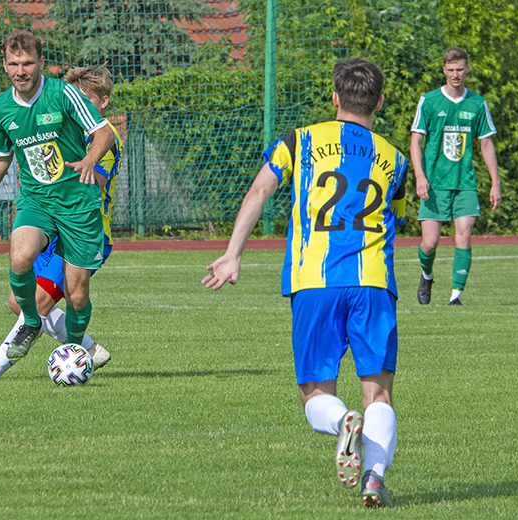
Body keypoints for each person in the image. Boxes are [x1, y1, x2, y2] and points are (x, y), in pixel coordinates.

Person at [202, 58, 406, 508]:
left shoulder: (300, 140)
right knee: (379, 391)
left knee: (315, 393)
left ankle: (341, 424)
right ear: (380, 101)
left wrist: (233, 254)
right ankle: (374, 475)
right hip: (373, 283)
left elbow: (259, 191)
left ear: (335, 98)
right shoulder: (395, 157)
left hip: (313, 281)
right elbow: (395, 213)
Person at [0, 66, 122, 381]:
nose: (77, 105)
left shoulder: (104, 139)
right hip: (50, 224)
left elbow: (91, 183)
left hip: (82, 227)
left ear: (102, 103)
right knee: (19, 301)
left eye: (86, 100)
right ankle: (89, 351)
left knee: (42, 302)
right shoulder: (61, 125)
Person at [410, 47, 502, 305]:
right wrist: (419, 175)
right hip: (434, 183)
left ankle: (455, 296)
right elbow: (416, 140)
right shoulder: (428, 101)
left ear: (467, 69)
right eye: (450, 70)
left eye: (459, 69)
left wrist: (495, 183)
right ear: (444, 71)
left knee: (464, 235)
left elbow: (486, 144)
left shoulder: (477, 103)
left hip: (465, 184)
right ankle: (426, 275)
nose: (455, 74)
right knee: (430, 243)